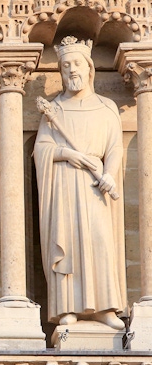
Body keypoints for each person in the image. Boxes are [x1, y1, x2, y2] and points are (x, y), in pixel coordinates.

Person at [34, 36, 126, 330]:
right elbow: (41, 151)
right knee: (68, 242)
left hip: (95, 189)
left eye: (76, 64)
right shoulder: (54, 110)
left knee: (100, 241)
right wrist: (66, 153)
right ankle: (67, 307)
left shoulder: (106, 107)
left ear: (89, 69)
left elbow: (115, 148)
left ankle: (104, 307)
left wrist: (109, 174)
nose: (71, 70)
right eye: (65, 66)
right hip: (64, 184)